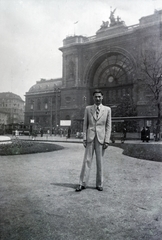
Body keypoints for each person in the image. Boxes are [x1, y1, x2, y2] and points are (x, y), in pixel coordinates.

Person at [76, 89, 111, 192]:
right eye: (96, 97)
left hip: (101, 139)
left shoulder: (107, 110)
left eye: (99, 96)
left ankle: (99, 184)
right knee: (87, 160)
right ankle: (82, 183)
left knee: (100, 162)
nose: (98, 98)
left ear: (102, 97)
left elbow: (108, 126)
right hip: (90, 138)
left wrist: (107, 140)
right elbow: (85, 125)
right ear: (93, 98)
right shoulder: (88, 109)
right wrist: (84, 139)